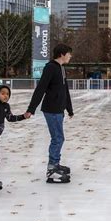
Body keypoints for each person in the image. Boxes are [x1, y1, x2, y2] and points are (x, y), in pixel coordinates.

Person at [25, 44, 74, 184]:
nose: (70, 56)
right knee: (57, 138)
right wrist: (31, 108)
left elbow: (65, 91)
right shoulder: (51, 67)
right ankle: (52, 169)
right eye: (69, 54)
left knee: (59, 138)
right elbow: (41, 88)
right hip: (52, 109)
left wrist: (69, 109)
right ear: (62, 54)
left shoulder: (61, 69)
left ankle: (56, 164)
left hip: (58, 109)